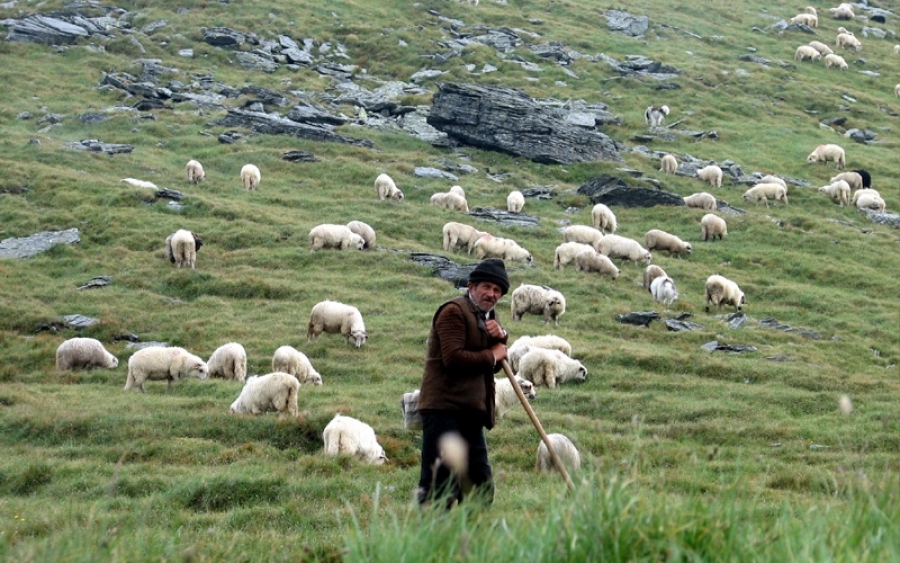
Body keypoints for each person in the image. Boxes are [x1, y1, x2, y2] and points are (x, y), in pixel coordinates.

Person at [416, 258, 511, 508]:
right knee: (440, 487)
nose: (491, 294)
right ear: (471, 286)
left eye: (497, 290)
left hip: (470, 414)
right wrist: (494, 353)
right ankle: (433, 544)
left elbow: (493, 366)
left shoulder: (488, 318)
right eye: (486, 287)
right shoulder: (454, 312)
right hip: (444, 410)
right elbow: (453, 358)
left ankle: (471, 543)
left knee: (480, 487)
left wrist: (500, 340)